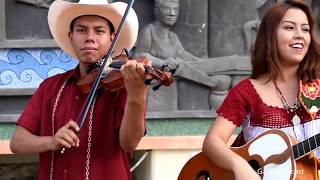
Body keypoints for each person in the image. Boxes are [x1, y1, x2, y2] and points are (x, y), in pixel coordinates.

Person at [9, 0, 147, 180]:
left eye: (99, 31)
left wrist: (137, 97)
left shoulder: (123, 86)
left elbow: (129, 144)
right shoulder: (50, 87)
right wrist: (51, 141)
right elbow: (17, 142)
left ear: (112, 39)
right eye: (82, 30)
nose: (90, 37)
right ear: (71, 36)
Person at [203, 0, 320, 179]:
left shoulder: (318, 87)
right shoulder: (246, 92)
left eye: (305, 29)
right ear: (270, 35)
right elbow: (213, 142)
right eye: (290, 28)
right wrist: (239, 165)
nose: (300, 35)